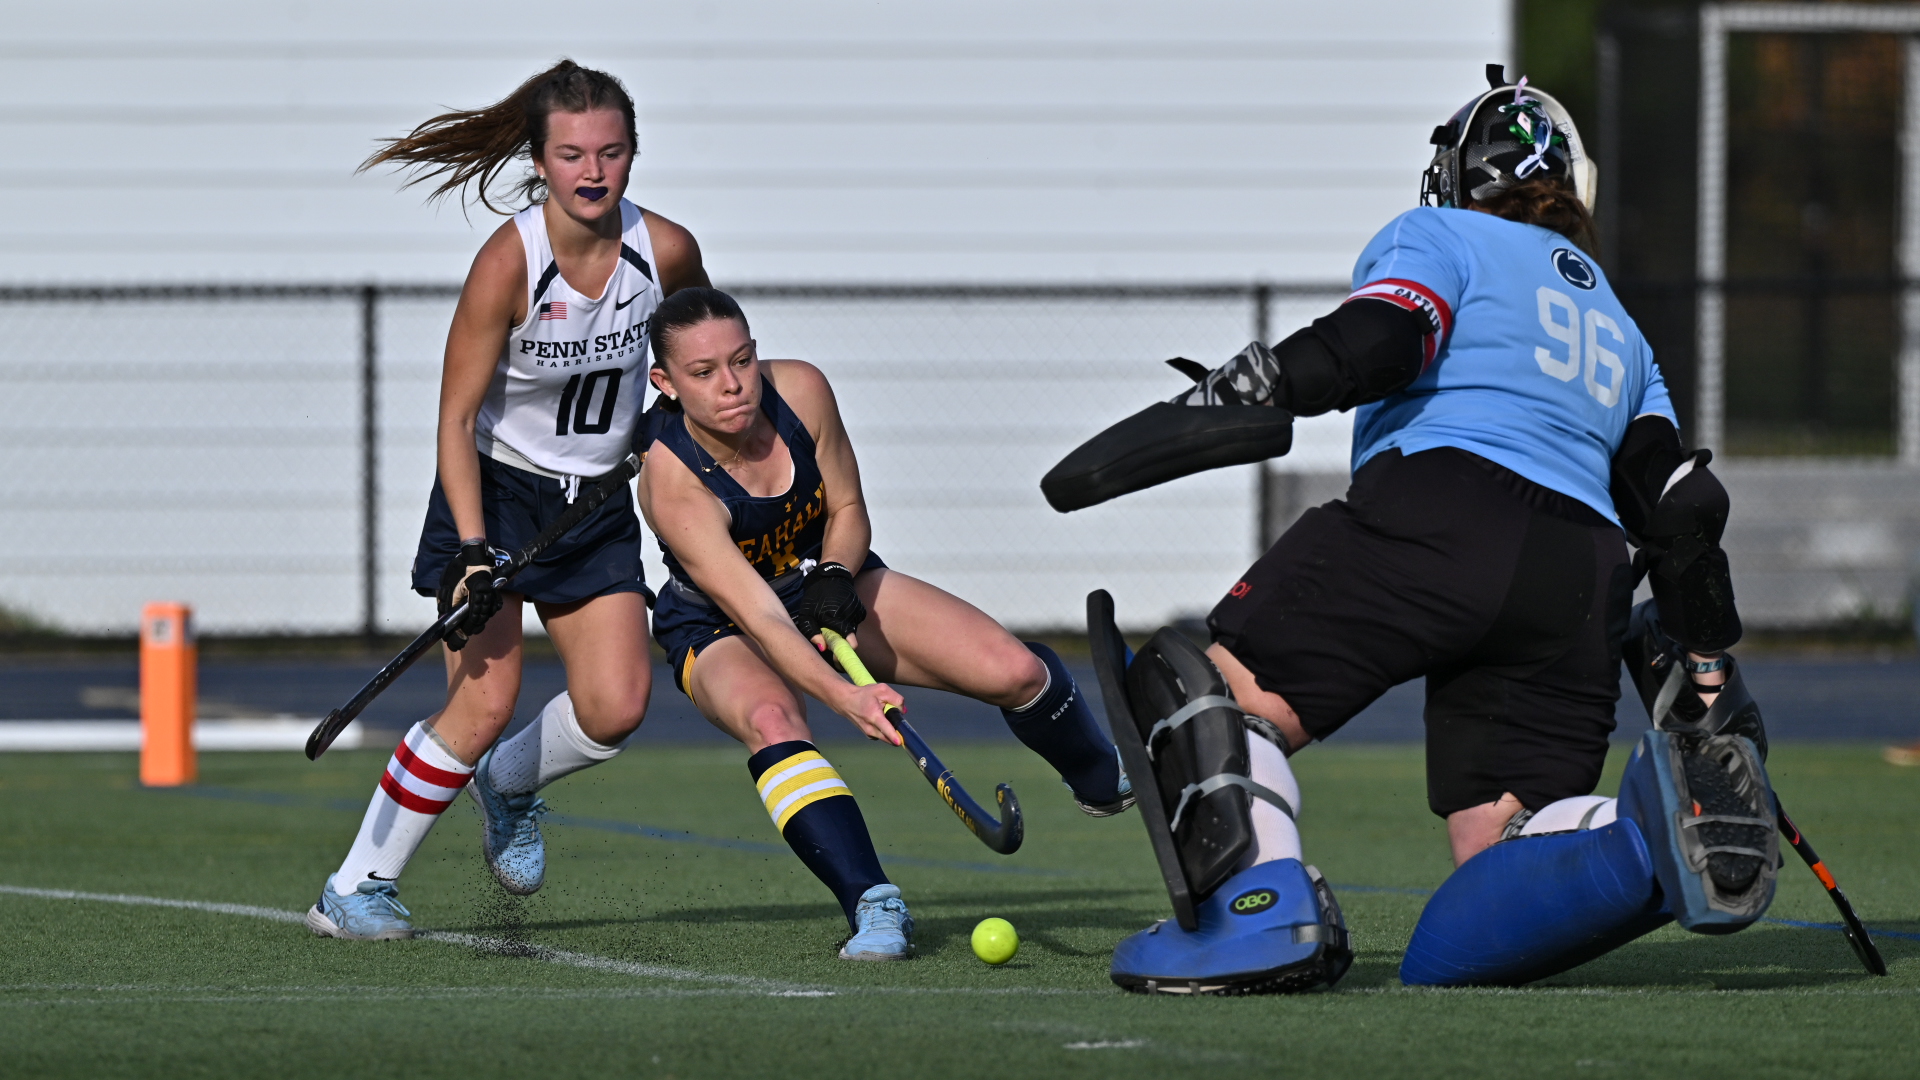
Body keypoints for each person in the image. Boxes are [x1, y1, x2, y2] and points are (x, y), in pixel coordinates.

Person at [1060, 66, 1776, 992]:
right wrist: (1707, 668)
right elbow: (1676, 506)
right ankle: (1645, 831)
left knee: (1201, 692)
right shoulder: (1620, 323)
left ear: (1457, 171)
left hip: (1442, 510)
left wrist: (1254, 384)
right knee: (1499, 857)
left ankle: (1255, 918)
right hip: (1580, 575)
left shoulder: (1439, 233)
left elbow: (1386, 336)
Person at [307, 61, 711, 941]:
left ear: (634, 154)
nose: (593, 171)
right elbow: (454, 418)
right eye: (571, 154)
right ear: (540, 161)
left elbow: (695, 357)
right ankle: (354, 888)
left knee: (616, 707)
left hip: (594, 505)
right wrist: (474, 549)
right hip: (489, 494)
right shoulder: (508, 262)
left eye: (610, 152)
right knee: (482, 705)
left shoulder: (666, 251)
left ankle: (510, 783)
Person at [636, 286, 1132, 960]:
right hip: (722, 624)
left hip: (822, 584)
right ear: (665, 383)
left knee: (1017, 671)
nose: (732, 385)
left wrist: (836, 576)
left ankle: (1100, 777)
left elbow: (845, 506)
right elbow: (759, 616)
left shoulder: (801, 392)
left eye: (742, 360)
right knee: (774, 720)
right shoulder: (670, 483)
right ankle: (873, 903)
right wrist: (848, 695)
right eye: (703, 373)